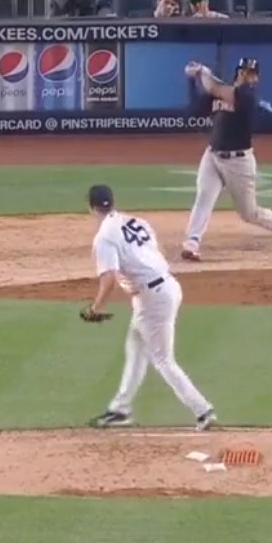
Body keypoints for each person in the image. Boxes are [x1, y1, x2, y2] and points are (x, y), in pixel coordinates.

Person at [82, 184, 218, 432]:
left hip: (152, 297)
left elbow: (109, 278)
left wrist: (95, 308)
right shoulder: (136, 221)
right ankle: (121, 408)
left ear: (90, 207)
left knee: (162, 359)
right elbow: (154, 253)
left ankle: (202, 409)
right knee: (135, 347)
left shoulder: (104, 237)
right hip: (165, 287)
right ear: (112, 202)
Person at [180, 57, 272, 261]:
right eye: (245, 71)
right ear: (238, 72)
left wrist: (202, 71)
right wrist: (192, 82)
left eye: (252, 73)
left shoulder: (247, 97)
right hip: (212, 156)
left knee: (248, 213)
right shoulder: (222, 92)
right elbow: (194, 109)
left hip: (239, 162)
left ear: (256, 78)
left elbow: (215, 88)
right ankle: (191, 243)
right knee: (203, 198)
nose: (248, 76)